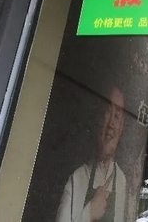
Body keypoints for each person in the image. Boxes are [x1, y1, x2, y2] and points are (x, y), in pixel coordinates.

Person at [56, 85, 138, 222]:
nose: (111, 124)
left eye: (117, 116)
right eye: (108, 112)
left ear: (122, 127)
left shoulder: (122, 181)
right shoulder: (78, 179)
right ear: (98, 119)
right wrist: (89, 213)